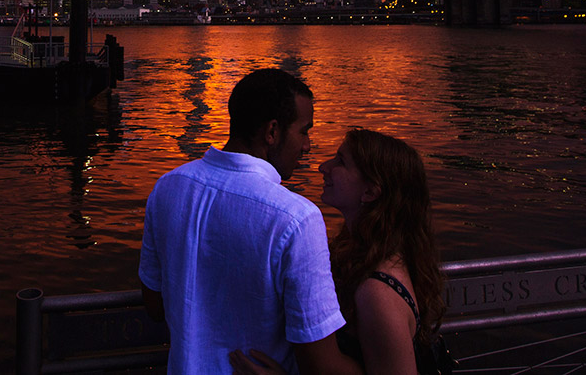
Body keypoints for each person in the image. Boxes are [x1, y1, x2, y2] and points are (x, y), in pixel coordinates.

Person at [139, 68, 363, 375]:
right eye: (304, 131)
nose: (308, 145)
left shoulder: (167, 187)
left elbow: (154, 305)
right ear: (272, 132)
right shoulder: (296, 218)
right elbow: (322, 365)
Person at [231, 129, 446, 375]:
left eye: (341, 162)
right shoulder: (361, 250)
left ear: (370, 192)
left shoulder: (378, 293)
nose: (324, 167)